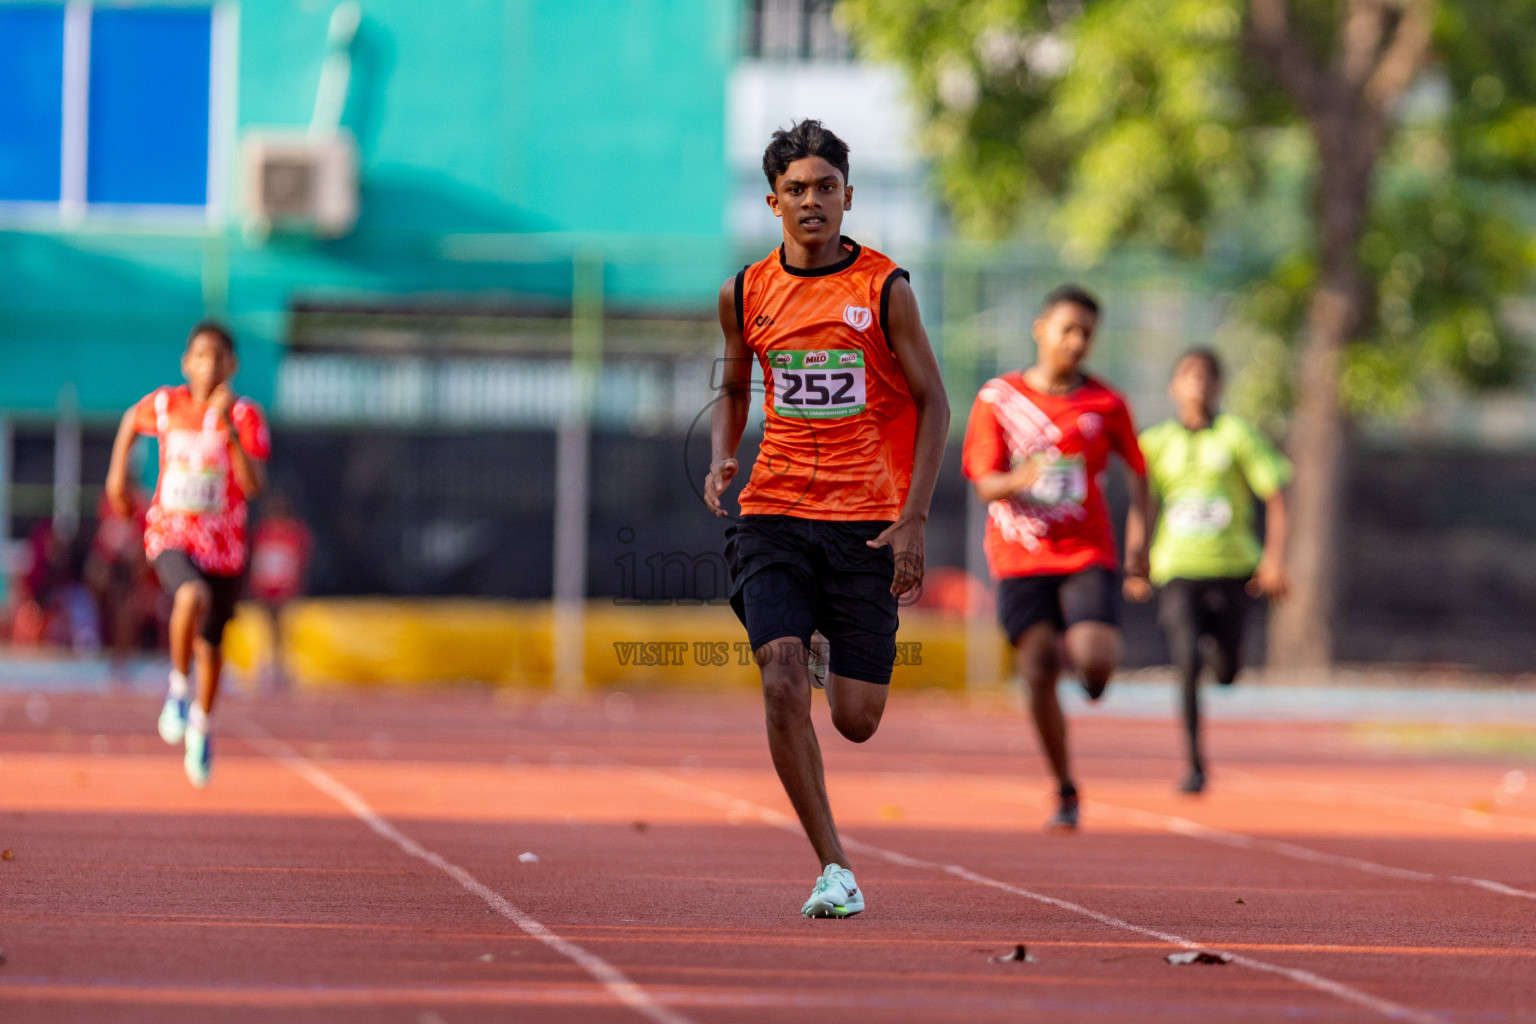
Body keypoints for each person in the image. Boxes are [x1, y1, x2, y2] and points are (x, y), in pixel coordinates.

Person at [704, 120, 949, 918]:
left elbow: (934, 402)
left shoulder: (884, 289)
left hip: (866, 522)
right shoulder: (745, 292)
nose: (813, 201)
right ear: (774, 201)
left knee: (856, 719)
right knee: (780, 681)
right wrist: (723, 454)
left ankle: (823, 645)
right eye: (797, 190)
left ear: (849, 196)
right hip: (773, 510)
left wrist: (913, 520)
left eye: (827, 188)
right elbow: (737, 388)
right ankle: (834, 867)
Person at [961, 285, 1149, 832]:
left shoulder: (1106, 404)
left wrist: (1140, 538)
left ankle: (1083, 652)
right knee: (1038, 666)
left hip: (1086, 549)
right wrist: (1022, 478)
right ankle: (1065, 785)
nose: (1077, 341)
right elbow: (984, 484)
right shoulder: (998, 398)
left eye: (1087, 333)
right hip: (1019, 553)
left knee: (1093, 667)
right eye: (1068, 329)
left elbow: (1139, 473)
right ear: (1041, 329)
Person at [105, 321, 270, 788]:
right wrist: (117, 478)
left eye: (219, 357)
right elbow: (128, 422)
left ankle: (201, 723)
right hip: (172, 532)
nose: (209, 365)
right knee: (189, 597)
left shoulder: (246, 416)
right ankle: (178, 690)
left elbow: (255, 485)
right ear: (186, 362)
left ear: (232, 366)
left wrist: (230, 433)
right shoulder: (165, 404)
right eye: (200, 356)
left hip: (225, 546)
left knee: (213, 647)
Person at [1126, 348, 1291, 794]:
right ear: (1173, 387)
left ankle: (1224, 661)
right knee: (1185, 662)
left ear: (1219, 386)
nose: (1197, 383)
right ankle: (1195, 765)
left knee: (1226, 670)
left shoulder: (1238, 435)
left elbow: (1275, 495)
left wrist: (1274, 559)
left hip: (1234, 567)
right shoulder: (1156, 443)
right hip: (1176, 568)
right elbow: (1143, 504)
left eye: (1206, 376)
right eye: (1188, 374)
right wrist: (1136, 560)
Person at [248, 492, 312, 691]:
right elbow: (256, 559)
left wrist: (296, 586)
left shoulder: (296, 532)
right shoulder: (262, 531)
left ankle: (284, 666)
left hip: (285, 588)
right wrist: (256, 585)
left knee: (284, 627)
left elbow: (300, 561)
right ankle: (267, 664)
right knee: (267, 626)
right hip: (267, 588)